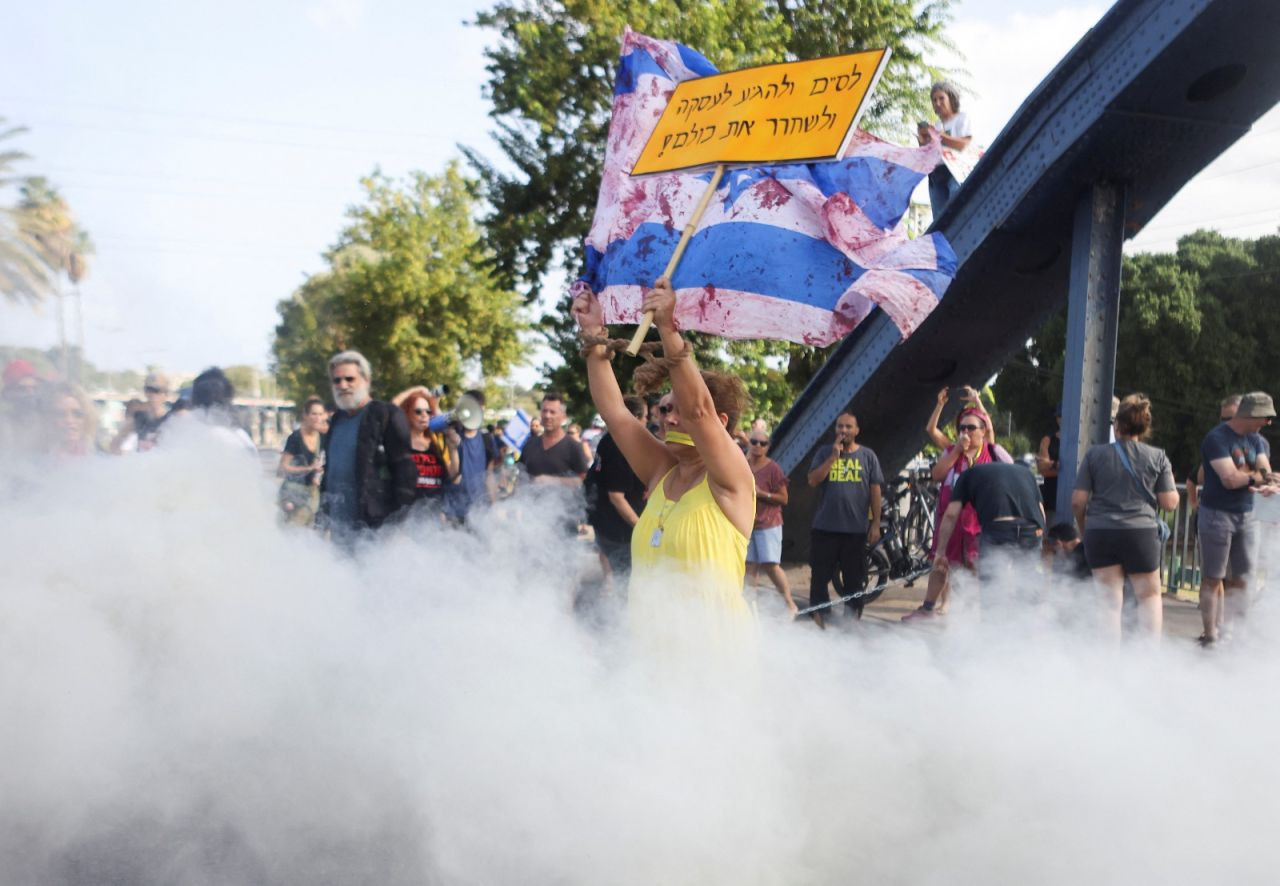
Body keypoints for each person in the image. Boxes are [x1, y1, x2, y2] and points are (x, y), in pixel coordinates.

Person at [573, 277, 757, 640]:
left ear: (722, 424)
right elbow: (615, 412)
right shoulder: (661, 471)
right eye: (664, 408)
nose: (668, 417)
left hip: (712, 662)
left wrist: (668, 328)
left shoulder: (731, 480)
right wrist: (593, 336)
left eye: (678, 411)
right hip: (648, 661)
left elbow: (699, 411)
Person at [1070, 394, 1179, 639]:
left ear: (1116, 425)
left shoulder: (1094, 455)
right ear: (1144, 428)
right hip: (1141, 533)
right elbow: (1169, 502)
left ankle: (1109, 668)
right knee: (1149, 597)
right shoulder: (1157, 456)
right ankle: (1147, 663)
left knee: (1108, 604)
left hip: (1100, 532)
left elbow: (1077, 500)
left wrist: (1085, 528)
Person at [904, 391, 1011, 621]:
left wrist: (978, 401)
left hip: (977, 520)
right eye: (962, 427)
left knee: (976, 565)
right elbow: (938, 473)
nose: (965, 432)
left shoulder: (990, 451)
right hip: (950, 516)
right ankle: (928, 608)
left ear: (982, 432)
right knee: (941, 563)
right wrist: (956, 450)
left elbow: (989, 425)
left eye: (971, 428)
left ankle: (981, 612)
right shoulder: (953, 450)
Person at [1195, 391, 1277, 646]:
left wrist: (1263, 481)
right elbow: (1229, 480)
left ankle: (1236, 636)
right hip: (1216, 515)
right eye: (1266, 418)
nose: (1268, 423)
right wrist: (1256, 478)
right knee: (1213, 577)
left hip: (1248, 515)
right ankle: (1210, 635)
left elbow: (1268, 474)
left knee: (1244, 577)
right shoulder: (1216, 439)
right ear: (1251, 414)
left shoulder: (1258, 441)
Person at [318, 350, 417, 543]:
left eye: (349, 379)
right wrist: (322, 518)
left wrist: (398, 524)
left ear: (366, 380)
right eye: (336, 381)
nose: (342, 385)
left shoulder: (386, 414)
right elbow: (329, 472)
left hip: (376, 529)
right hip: (340, 529)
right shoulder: (336, 420)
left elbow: (405, 471)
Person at [805, 413, 884, 626]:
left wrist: (875, 523)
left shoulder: (868, 456)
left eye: (849, 427)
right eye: (840, 426)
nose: (844, 430)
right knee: (820, 576)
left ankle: (852, 621)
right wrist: (833, 457)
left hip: (855, 531)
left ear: (857, 430)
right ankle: (820, 617)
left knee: (854, 578)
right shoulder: (824, 453)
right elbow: (812, 480)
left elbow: (875, 491)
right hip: (825, 528)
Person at [933, 461, 1046, 598]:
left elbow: (951, 515)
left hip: (998, 527)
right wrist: (1039, 539)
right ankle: (1029, 617)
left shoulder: (967, 475)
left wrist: (940, 552)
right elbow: (1041, 511)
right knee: (1027, 581)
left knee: (992, 586)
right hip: (1032, 528)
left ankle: (992, 618)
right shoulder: (1026, 473)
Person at [588, 394, 649, 592]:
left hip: (607, 527)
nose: (647, 421)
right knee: (626, 589)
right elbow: (616, 496)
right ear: (636, 418)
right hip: (620, 533)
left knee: (616, 585)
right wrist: (642, 529)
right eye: (645, 417)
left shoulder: (608, 439)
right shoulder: (619, 445)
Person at [746, 427, 798, 615]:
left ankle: (789, 603)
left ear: (768, 447)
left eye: (762, 443)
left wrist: (763, 494)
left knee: (770, 565)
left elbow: (784, 498)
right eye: (754, 442)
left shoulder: (773, 468)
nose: (758, 446)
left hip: (768, 523)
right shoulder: (743, 464)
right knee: (749, 566)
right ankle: (749, 607)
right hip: (748, 523)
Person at [917, 80, 973, 218]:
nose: (938, 103)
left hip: (955, 171)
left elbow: (963, 145)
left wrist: (940, 136)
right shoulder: (936, 126)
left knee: (957, 209)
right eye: (934, 100)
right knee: (940, 218)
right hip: (937, 175)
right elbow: (928, 155)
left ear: (951, 98)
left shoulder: (961, 119)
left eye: (941, 98)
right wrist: (923, 141)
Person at [520, 392, 590, 485]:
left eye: (552, 412)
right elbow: (520, 473)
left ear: (563, 416)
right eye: (544, 411)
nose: (547, 416)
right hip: (527, 499)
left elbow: (584, 479)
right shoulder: (530, 444)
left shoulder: (573, 446)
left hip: (562, 499)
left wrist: (553, 481)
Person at [277, 396, 327, 526]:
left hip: (312, 494)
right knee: (292, 533)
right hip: (293, 494)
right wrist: (309, 468)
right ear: (305, 415)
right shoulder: (295, 438)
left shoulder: (323, 437)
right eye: (314, 414)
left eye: (321, 414)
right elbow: (283, 467)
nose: (317, 418)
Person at [1185, 395, 1240, 511]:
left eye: (1231, 419)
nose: (1225, 425)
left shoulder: (1255, 445)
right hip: (1213, 517)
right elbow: (1192, 480)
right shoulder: (1216, 448)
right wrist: (1194, 503)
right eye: (1223, 420)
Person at [1, 358, 45, 455]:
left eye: (34, 388)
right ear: (9, 394)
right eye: (22, 389)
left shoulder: (49, 419)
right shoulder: (4, 424)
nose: (30, 394)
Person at [45, 383, 98, 457]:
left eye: (77, 414)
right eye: (61, 414)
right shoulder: (40, 459)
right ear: (51, 420)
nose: (69, 420)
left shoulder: (99, 458)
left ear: (87, 419)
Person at [1037, 405, 1062, 523]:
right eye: (1061, 416)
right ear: (1057, 418)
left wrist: (1055, 466)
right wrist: (1057, 465)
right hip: (1052, 501)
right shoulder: (1048, 440)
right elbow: (1042, 468)